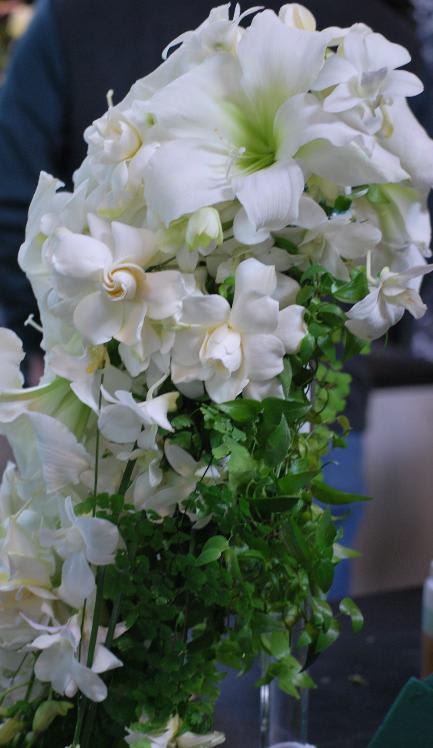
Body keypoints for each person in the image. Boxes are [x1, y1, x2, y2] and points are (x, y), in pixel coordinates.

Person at [0, 0, 427, 596]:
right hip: (306, 416)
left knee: (134, 627)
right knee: (292, 634)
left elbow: (11, 205)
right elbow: (410, 198)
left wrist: (64, 330)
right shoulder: (365, 19)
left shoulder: (70, 17)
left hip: (120, 417)